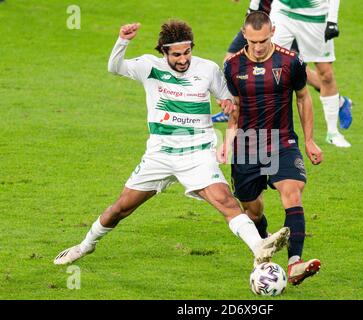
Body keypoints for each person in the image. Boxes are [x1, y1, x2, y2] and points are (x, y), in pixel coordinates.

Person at [54, 20, 290, 267]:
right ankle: (85, 246)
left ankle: (260, 248)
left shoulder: (207, 69)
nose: (183, 59)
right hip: (160, 154)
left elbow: (232, 101)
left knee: (225, 201)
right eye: (176, 54)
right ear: (163, 51)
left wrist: (229, 104)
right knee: (120, 209)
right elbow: (114, 67)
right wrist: (123, 40)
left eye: (187, 52)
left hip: (197, 152)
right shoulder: (149, 67)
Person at [218, 11, 322, 285]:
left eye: (263, 39)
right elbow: (235, 107)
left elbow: (303, 97)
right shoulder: (232, 66)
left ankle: (295, 264)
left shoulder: (291, 61)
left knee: (292, 193)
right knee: (252, 211)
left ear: (272, 31)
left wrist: (309, 139)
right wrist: (227, 141)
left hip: (282, 141)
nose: (259, 46)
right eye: (252, 41)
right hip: (247, 145)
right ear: (244, 35)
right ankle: (264, 247)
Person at [212, 0, 352, 129]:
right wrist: (252, 8)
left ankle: (338, 101)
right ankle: (234, 107)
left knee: (292, 69)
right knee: (230, 61)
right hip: (259, 21)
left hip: (285, 21)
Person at [270, 0, 352, 147]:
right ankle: (269, 129)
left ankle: (333, 133)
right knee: (272, 67)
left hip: (316, 17)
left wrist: (332, 20)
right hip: (284, 13)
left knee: (326, 74)